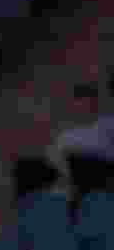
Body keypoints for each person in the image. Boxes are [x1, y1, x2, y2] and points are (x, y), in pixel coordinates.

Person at [12, 80, 114, 216]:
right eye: (81, 102)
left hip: (103, 175)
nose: (86, 106)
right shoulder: (66, 136)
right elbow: (55, 161)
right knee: (28, 168)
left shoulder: (108, 124)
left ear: (96, 103)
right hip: (76, 181)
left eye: (90, 101)